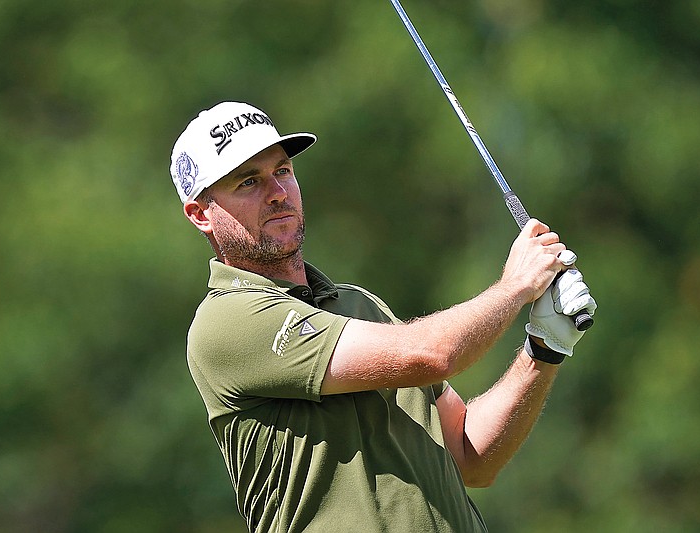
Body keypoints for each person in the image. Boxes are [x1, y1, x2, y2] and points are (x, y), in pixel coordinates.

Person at [169, 101, 597, 532]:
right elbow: (429, 355)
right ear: (201, 213)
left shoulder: (359, 307)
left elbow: (471, 457)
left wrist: (544, 347)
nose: (278, 192)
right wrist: (514, 286)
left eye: (282, 170)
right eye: (249, 182)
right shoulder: (225, 321)